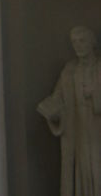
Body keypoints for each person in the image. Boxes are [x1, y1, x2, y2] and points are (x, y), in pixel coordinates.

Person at [38, 26, 101, 196]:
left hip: (97, 127)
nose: (78, 45)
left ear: (92, 42)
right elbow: (58, 97)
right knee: (83, 169)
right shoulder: (69, 71)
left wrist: (95, 94)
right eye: (74, 42)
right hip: (78, 128)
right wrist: (53, 111)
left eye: (82, 41)